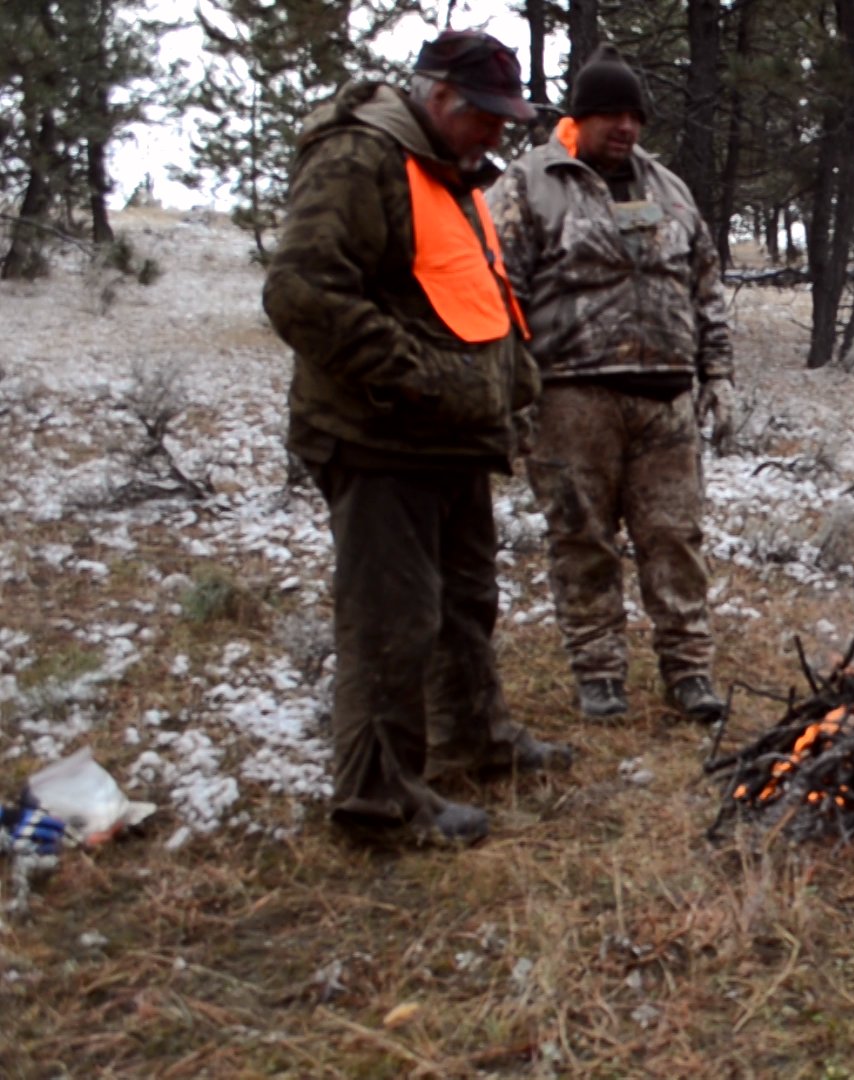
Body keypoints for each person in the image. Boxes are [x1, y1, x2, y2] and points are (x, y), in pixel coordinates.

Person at [263, 30, 575, 846]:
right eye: (488, 117)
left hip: (452, 440)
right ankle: (377, 802)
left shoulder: (451, 171)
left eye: (509, 120)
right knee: (389, 623)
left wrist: (510, 384)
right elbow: (301, 293)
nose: (499, 135)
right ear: (439, 98)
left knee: (466, 605)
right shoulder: (358, 158)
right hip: (381, 439)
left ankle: (475, 737)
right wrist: (415, 376)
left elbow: (464, 295)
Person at [487, 45, 735, 724]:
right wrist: (508, 394)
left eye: (634, 116)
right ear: (579, 116)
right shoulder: (529, 184)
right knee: (582, 539)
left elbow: (705, 286)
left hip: (665, 400)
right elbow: (497, 291)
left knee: (675, 539)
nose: (624, 128)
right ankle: (599, 675)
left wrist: (717, 373)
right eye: (609, 115)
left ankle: (689, 672)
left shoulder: (670, 189)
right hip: (571, 398)